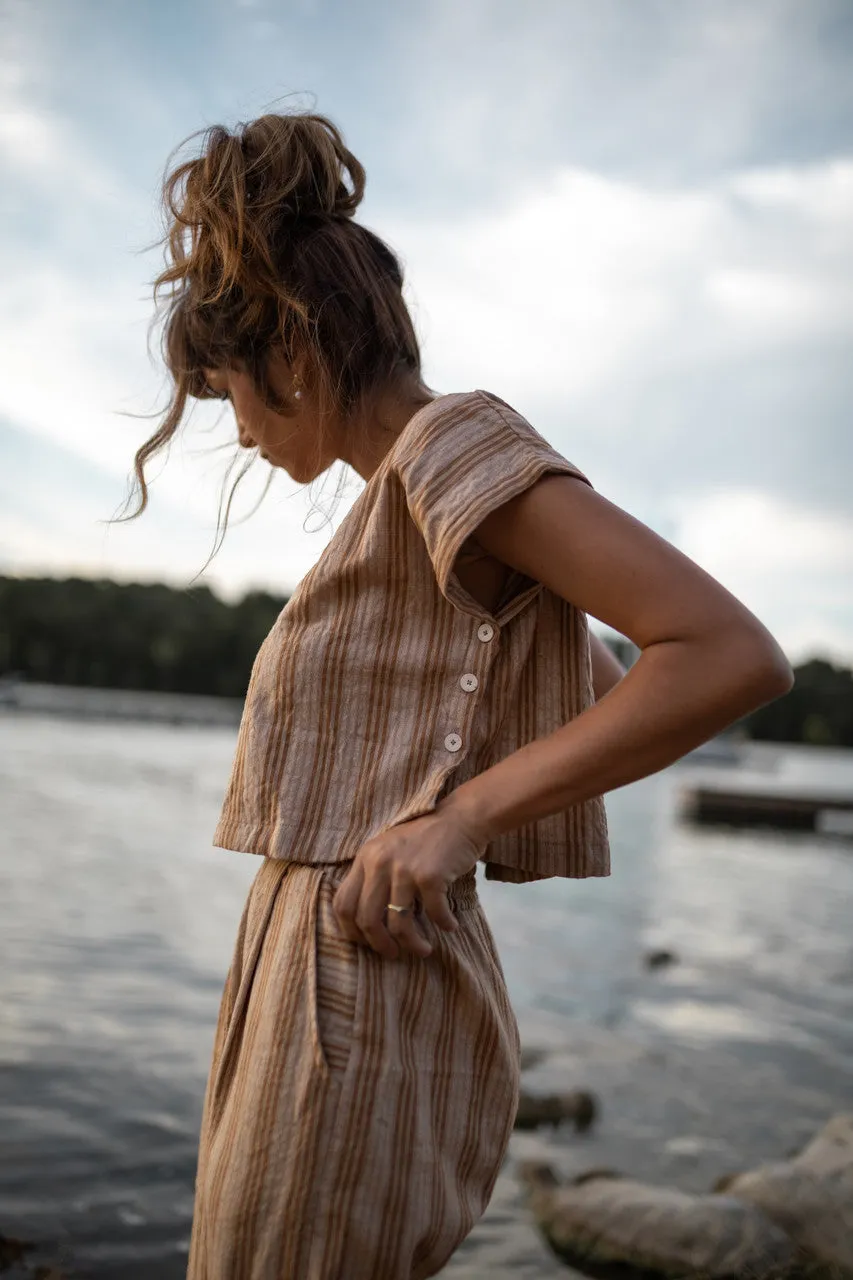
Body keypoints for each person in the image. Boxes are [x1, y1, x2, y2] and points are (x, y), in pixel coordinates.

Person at [127, 111, 793, 1280]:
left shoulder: (448, 447)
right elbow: (594, 684)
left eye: (231, 391)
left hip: (351, 971)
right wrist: (517, 648)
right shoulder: (411, 496)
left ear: (292, 352)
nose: (235, 427)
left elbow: (727, 651)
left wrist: (464, 816)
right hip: (319, 968)